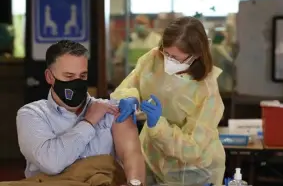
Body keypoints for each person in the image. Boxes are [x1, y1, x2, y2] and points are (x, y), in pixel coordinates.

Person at [111, 16, 226, 185]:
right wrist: (129, 97)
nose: (168, 62)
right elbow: (130, 84)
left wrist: (158, 125)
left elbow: (192, 148)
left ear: (196, 54)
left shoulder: (207, 90)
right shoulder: (154, 58)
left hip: (193, 170)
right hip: (151, 157)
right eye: (167, 54)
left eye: (177, 58)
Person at [16, 40, 145, 185]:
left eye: (82, 76)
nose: (76, 83)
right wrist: (89, 121)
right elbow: (51, 163)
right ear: (50, 77)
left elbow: (131, 154)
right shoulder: (32, 114)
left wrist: (135, 183)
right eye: (69, 77)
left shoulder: (110, 110)